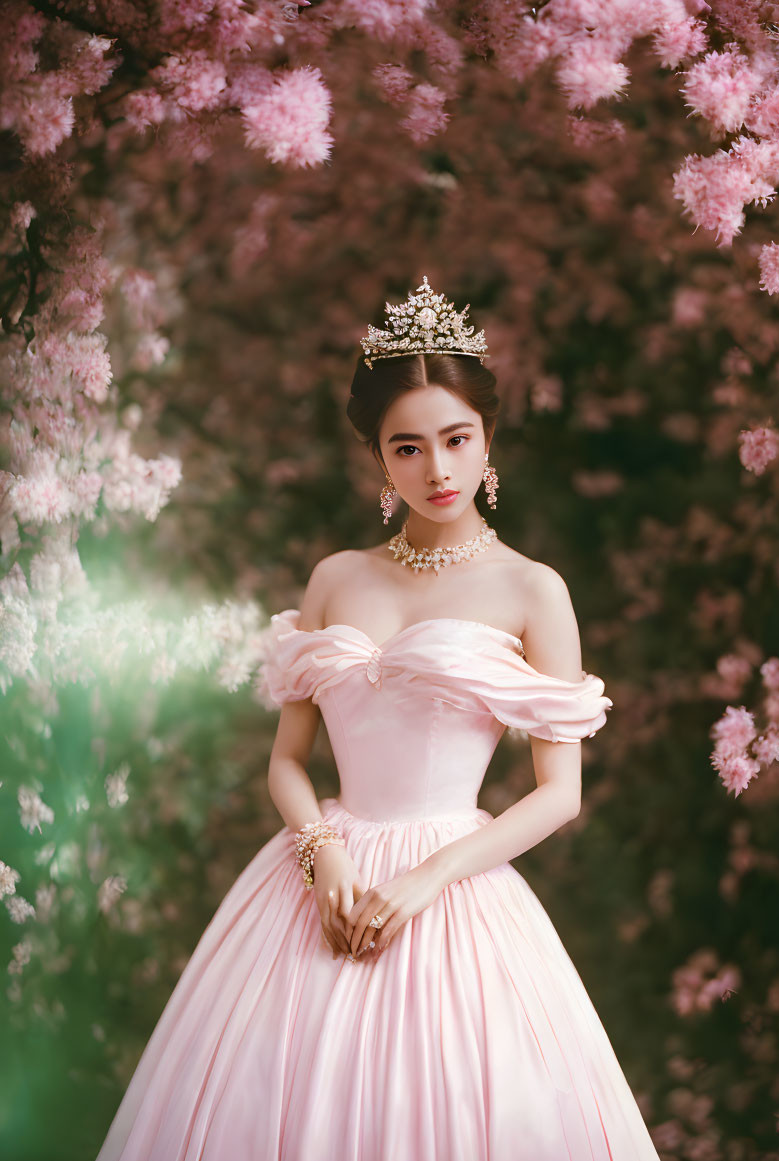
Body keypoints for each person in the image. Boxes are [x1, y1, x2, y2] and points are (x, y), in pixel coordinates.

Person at [95, 276, 662, 1160]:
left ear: (486, 442)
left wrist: (426, 879)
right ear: (378, 460)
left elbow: (559, 794)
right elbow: (288, 761)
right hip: (320, 879)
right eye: (408, 447)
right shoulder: (336, 577)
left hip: (452, 892)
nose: (436, 469)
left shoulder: (531, 589)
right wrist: (322, 856)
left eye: (455, 439)